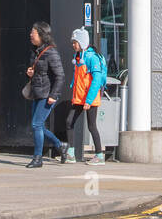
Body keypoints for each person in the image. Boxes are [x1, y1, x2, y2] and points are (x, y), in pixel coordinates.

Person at [24, 21, 65, 168]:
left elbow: (60, 76)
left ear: (41, 34)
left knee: (36, 124)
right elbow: (39, 72)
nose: (30, 35)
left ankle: (38, 158)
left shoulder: (51, 52)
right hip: (37, 92)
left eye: (33, 32)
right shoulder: (34, 51)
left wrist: (54, 95)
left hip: (47, 94)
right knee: (38, 125)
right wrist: (31, 73)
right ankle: (60, 145)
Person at [65, 28, 107, 165]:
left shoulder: (92, 57)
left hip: (89, 98)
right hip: (79, 98)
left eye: (75, 42)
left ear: (82, 42)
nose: (73, 45)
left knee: (91, 126)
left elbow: (96, 80)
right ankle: (71, 153)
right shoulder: (79, 57)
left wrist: (88, 100)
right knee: (69, 122)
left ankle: (99, 155)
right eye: (73, 42)